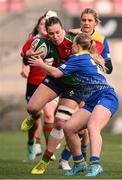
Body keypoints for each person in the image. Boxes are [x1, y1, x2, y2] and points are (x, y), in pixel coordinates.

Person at [28, 32, 119, 177]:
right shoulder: (86, 56)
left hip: (106, 97)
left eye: (72, 44)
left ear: (76, 45)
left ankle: (95, 164)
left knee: (93, 127)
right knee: (69, 128)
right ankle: (79, 163)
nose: (71, 46)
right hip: (92, 100)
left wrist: (41, 64)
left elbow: (56, 73)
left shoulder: (77, 58)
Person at [59, 7, 113, 168]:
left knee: (84, 128)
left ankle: (69, 158)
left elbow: (109, 69)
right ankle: (71, 157)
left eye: (90, 20)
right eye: (84, 20)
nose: (86, 23)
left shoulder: (101, 40)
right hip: (70, 84)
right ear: (80, 21)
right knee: (62, 123)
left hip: (88, 89)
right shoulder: (70, 36)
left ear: (96, 22)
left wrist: (95, 56)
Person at [20, 11, 58, 161]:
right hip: (34, 82)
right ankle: (32, 142)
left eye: (47, 23)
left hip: (50, 83)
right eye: (42, 23)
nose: (45, 26)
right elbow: (24, 55)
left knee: (49, 114)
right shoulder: (34, 41)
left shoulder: (55, 40)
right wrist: (25, 64)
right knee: (35, 115)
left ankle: (49, 148)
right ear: (38, 26)